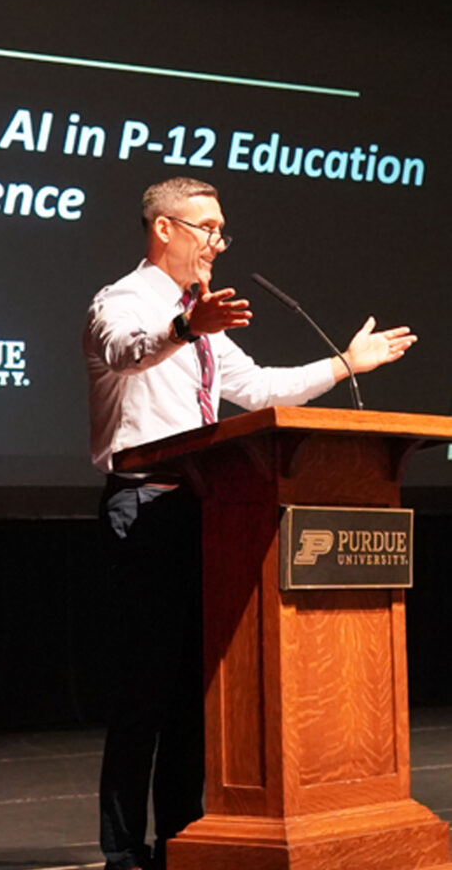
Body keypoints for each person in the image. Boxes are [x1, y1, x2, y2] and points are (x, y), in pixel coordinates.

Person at [82, 176, 416, 870]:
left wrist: (344, 365)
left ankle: (180, 837)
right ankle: (121, 851)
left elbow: (257, 389)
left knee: (191, 694)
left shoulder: (197, 313)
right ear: (163, 228)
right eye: (205, 227)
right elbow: (125, 351)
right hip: (144, 506)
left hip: (206, 509)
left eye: (221, 230)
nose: (217, 243)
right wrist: (183, 329)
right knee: (142, 691)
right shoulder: (122, 302)